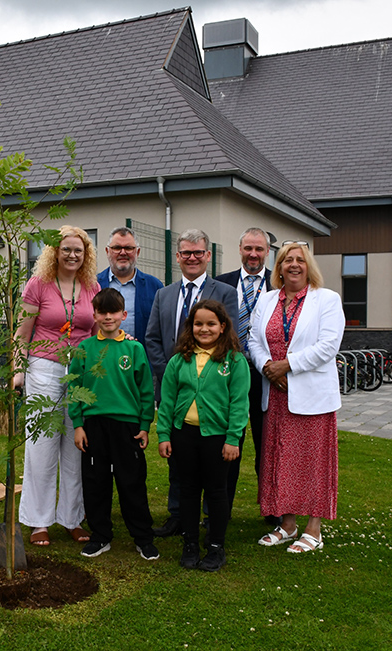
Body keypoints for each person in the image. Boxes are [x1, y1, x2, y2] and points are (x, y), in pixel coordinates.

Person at [248, 241, 344, 554]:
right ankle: (287, 524)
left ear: (309, 266)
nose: (293, 265)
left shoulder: (326, 300)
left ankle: (313, 530)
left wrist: (287, 367)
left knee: (313, 463)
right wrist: (267, 369)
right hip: (275, 395)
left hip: (311, 396)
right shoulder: (266, 300)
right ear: (279, 268)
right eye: (287, 260)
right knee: (279, 461)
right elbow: (253, 338)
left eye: (299, 260)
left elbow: (328, 346)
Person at [144, 228, 236, 538]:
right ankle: (178, 516)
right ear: (179, 256)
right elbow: (152, 338)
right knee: (177, 460)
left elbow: (231, 340)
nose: (192, 258)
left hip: (213, 393)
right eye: (186, 253)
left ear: (208, 256)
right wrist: (174, 371)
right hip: (175, 391)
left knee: (213, 464)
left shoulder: (224, 292)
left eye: (198, 252)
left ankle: (212, 520)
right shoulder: (164, 294)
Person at [13, 225, 99, 547]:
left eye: (79, 250)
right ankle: (39, 521)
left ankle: (72, 518)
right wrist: (18, 372)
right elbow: (22, 333)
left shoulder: (92, 285)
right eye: (66, 249)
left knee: (76, 446)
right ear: (54, 251)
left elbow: (98, 331)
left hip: (80, 371)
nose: (72, 255)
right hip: (43, 368)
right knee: (41, 445)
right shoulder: (39, 284)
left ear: (86, 254)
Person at [156, 300, 249, 571]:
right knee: (188, 489)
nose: (204, 329)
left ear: (222, 327)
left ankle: (216, 546)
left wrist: (233, 438)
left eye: (211, 324)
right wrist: (164, 435)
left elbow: (239, 403)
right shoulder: (179, 361)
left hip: (217, 438)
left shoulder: (234, 361)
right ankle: (190, 543)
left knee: (217, 491)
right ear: (191, 327)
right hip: (184, 435)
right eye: (198, 324)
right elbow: (168, 401)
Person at [70, 288, 158, 560]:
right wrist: (78, 424)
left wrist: (145, 424)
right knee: (95, 482)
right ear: (94, 315)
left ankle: (143, 537)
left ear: (124, 315)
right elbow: (74, 386)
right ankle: (100, 536)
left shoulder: (134, 348)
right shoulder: (84, 349)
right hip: (94, 425)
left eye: (113, 312)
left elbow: (145, 389)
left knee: (132, 482)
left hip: (127, 427)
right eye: (102, 312)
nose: (108, 317)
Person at [215, 227, 278, 525]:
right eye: (248, 248)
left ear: (267, 252)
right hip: (229, 378)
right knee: (229, 446)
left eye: (259, 249)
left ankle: (272, 508)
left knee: (268, 446)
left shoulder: (278, 286)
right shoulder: (221, 283)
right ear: (239, 249)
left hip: (268, 377)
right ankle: (220, 510)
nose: (253, 254)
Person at [96, 227, 164, 342]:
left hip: (141, 357)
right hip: (101, 357)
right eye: (117, 248)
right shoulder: (94, 285)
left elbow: (161, 329)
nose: (123, 253)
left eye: (128, 248)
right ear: (107, 251)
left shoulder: (154, 287)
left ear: (137, 252)